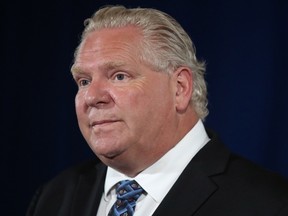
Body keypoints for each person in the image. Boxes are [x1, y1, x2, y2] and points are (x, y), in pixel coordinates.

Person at [26, 5, 288, 216]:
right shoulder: (54, 197)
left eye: (119, 76)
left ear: (180, 88)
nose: (92, 96)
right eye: (83, 81)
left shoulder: (270, 204)